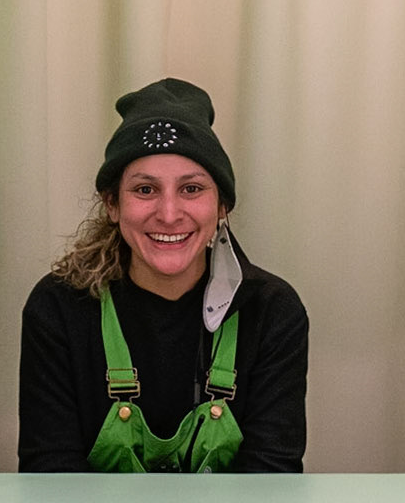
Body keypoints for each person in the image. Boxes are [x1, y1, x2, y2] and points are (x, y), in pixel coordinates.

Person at [19, 78, 309, 472]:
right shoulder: (58, 307)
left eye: (191, 189)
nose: (169, 214)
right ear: (112, 204)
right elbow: (49, 475)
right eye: (145, 190)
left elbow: (271, 476)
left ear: (221, 206)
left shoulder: (272, 312)